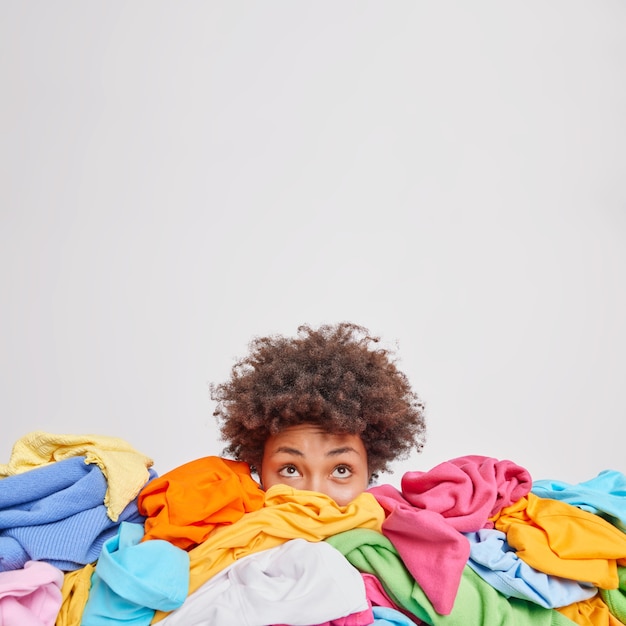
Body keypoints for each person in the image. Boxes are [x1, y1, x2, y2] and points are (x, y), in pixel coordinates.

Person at [210, 322, 426, 505]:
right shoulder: (223, 547)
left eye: (341, 470)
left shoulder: (404, 547)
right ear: (260, 471)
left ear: (369, 473)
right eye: (290, 470)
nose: (314, 496)